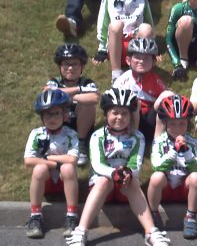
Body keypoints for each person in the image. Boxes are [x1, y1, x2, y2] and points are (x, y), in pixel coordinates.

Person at [65, 88, 170, 246]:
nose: (119, 117)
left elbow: (136, 163)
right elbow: (97, 164)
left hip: (125, 184)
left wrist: (127, 173)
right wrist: (113, 173)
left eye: (124, 113)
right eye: (115, 113)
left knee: (133, 182)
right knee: (103, 181)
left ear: (130, 116)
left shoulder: (137, 137)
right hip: (102, 185)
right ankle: (81, 231)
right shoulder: (97, 136)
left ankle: (151, 233)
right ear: (106, 114)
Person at [148, 95, 197, 240]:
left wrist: (186, 152)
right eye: (173, 124)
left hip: (185, 189)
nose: (177, 128)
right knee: (156, 177)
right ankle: (153, 214)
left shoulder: (193, 142)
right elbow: (156, 166)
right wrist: (173, 151)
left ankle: (190, 217)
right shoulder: (160, 142)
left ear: (188, 123)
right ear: (166, 123)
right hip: (166, 188)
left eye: (181, 123)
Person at [24, 90, 79, 239]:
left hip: (64, 181)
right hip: (46, 181)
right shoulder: (36, 133)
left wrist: (48, 157)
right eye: (48, 114)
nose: (52, 118)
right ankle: (35, 216)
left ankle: (72, 216)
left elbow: (73, 159)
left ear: (65, 115)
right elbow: (28, 160)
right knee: (40, 169)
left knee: (68, 168)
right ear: (42, 116)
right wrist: (53, 163)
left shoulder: (70, 134)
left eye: (56, 114)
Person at [92, 0, 154, 83]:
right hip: (117, 45)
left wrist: (152, 46)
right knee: (116, 25)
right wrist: (102, 49)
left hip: (136, 44)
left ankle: (140, 73)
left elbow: (148, 19)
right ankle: (116, 73)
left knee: (146, 28)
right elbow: (103, 21)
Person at [46, 43, 99, 166]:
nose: (70, 68)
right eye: (66, 64)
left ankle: (81, 144)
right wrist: (79, 91)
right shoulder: (54, 82)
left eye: (74, 64)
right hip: (59, 123)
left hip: (81, 125)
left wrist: (64, 95)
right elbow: (47, 92)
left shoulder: (87, 82)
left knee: (88, 105)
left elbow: (94, 98)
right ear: (60, 66)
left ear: (82, 66)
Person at [112, 38, 173, 143]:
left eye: (146, 58)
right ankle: (133, 138)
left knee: (168, 95)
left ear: (154, 62)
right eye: (137, 57)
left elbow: (169, 99)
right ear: (128, 60)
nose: (141, 61)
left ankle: (157, 142)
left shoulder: (156, 81)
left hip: (150, 120)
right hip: (128, 120)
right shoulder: (122, 80)